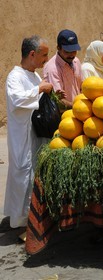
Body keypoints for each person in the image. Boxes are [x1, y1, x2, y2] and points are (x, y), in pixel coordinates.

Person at [3, 35, 56, 233]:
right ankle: (21, 222)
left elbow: (39, 100)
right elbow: (17, 100)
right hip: (21, 136)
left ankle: (31, 216)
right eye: (44, 55)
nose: (46, 59)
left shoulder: (33, 75)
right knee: (22, 174)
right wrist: (39, 88)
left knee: (33, 173)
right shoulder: (15, 76)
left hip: (35, 134)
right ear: (32, 54)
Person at [43, 29, 82, 108]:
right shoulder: (52, 68)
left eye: (74, 51)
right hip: (64, 117)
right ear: (58, 48)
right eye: (67, 51)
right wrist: (78, 107)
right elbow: (58, 101)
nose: (71, 55)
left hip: (81, 113)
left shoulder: (76, 61)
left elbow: (82, 87)